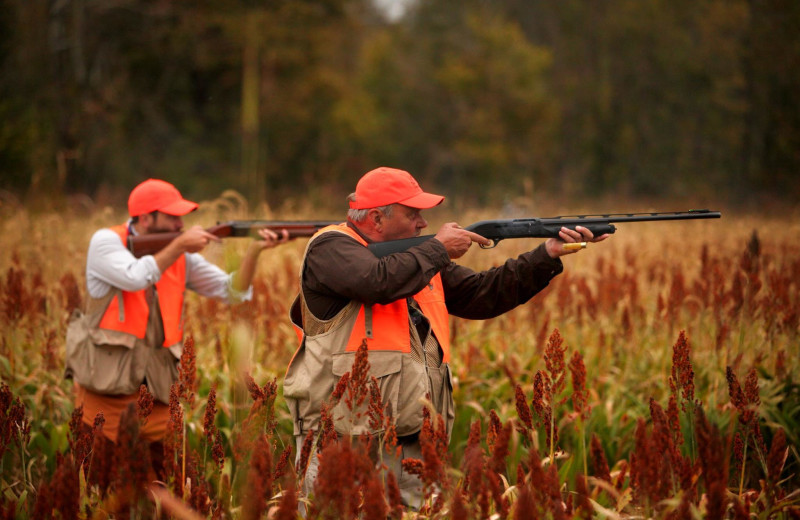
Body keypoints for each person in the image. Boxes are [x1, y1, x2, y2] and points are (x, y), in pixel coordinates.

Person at [283, 166, 608, 509]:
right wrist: (438, 249)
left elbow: (482, 293)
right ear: (377, 218)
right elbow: (375, 281)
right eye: (413, 214)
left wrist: (547, 255)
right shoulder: (330, 248)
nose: (423, 223)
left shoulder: (417, 258)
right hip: (341, 442)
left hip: (411, 444)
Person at [65, 178, 288, 457]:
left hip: (157, 397)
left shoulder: (180, 254)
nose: (181, 225)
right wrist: (180, 245)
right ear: (146, 218)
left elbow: (232, 291)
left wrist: (255, 251)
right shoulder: (107, 242)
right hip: (105, 398)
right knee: (98, 489)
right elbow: (135, 277)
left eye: (182, 217)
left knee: (166, 485)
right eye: (173, 217)